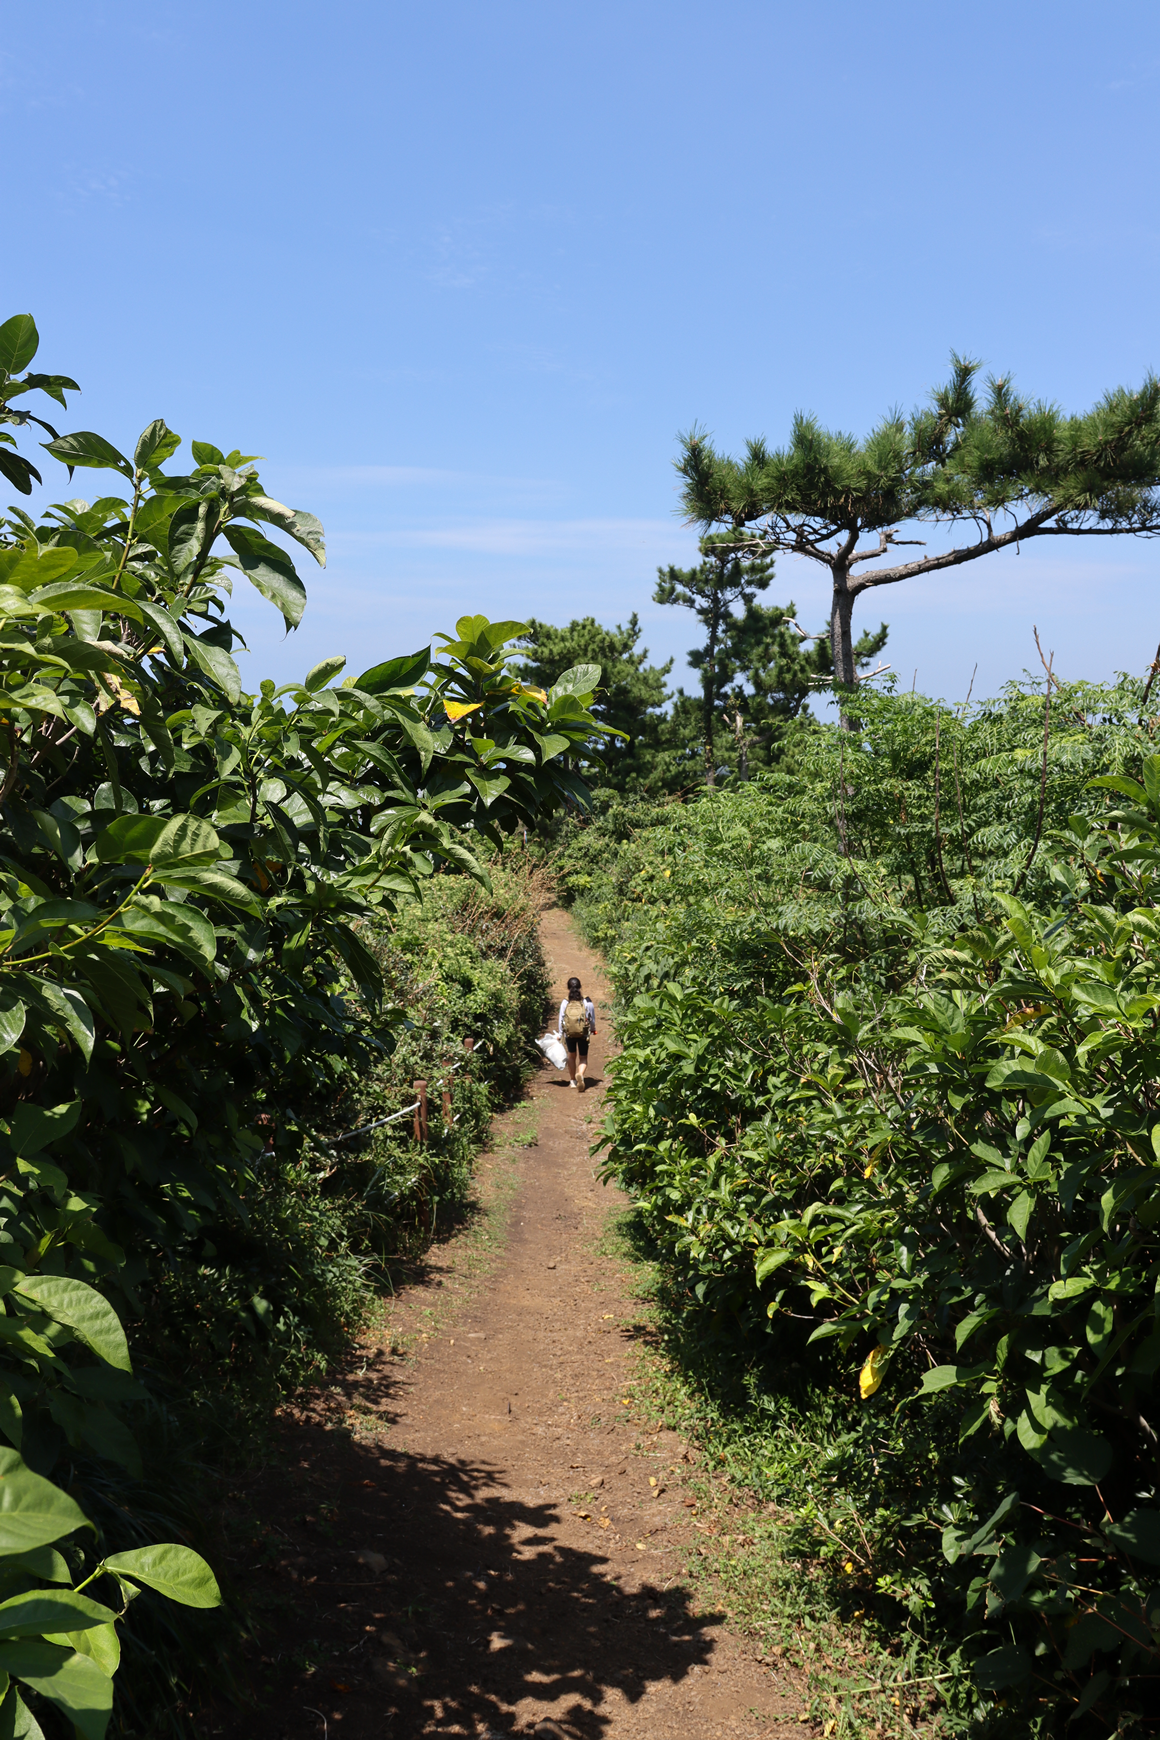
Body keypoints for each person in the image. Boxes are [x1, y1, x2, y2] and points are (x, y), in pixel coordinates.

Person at [557, 976, 596, 1091]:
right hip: (583, 1033)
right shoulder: (587, 1001)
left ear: (568, 988)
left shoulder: (565, 1001)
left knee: (571, 1056)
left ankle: (573, 1081)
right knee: (583, 1058)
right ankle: (581, 1074)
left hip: (569, 1034)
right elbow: (592, 1018)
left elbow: (561, 1019)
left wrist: (560, 1033)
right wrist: (593, 1029)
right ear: (580, 987)